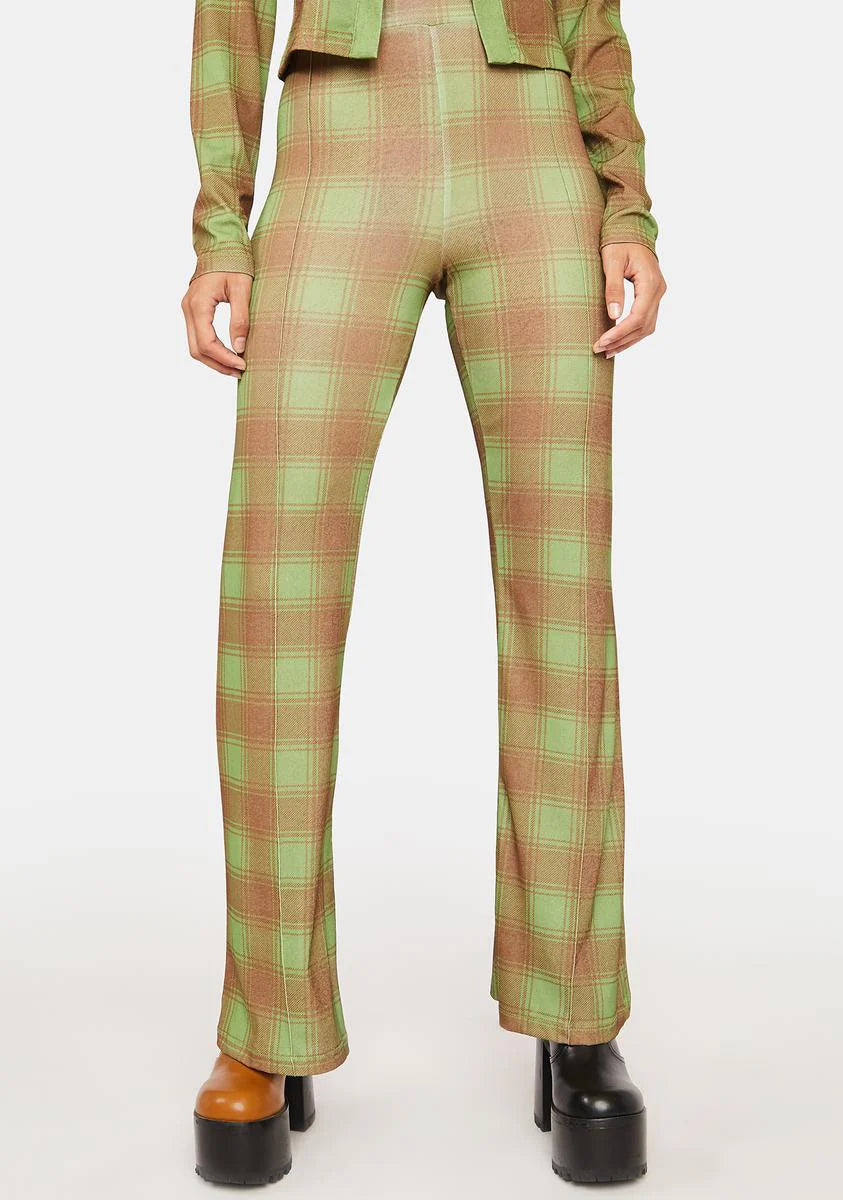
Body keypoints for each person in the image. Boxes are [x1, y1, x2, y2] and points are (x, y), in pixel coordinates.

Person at [182, 0, 666, 1186]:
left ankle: (577, 1014)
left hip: (534, 153)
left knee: (562, 598)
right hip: (341, 144)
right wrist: (220, 227)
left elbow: (594, 15)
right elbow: (230, 17)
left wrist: (627, 203)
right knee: (277, 601)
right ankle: (267, 1019)